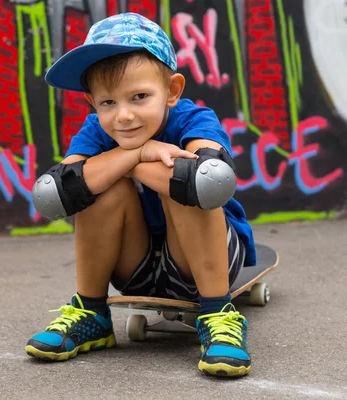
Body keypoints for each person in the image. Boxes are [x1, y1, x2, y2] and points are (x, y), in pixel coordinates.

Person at [25, 12, 257, 378]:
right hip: (137, 267)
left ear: (173, 90)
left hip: (205, 264)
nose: (124, 116)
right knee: (97, 188)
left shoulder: (194, 119)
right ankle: (92, 312)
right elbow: (58, 193)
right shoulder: (95, 130)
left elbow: (208, 181)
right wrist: (135, 153)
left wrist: (125, 161)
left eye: (139, 97)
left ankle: (218, 314)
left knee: (181, 185)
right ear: (91, 102)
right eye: (108, 103)